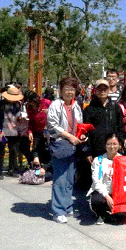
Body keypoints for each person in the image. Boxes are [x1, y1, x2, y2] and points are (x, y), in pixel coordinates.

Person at [47, 77, 85, 224]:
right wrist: (70, 136)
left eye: (72, 89)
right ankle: (58, 211)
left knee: (70, 178)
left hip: (73, 145)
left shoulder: (76, 105)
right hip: (61, 145)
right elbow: (52, 125)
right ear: (61, 90)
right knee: (60, 179)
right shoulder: (56, 105)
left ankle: (67, 206)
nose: (69, 92)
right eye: (66, 89)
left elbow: (79, 124)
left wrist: (81, 135)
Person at [83, 79, 124, 165]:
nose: (102, 91)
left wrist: (120, 142)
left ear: (109, 90)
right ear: (95, 90)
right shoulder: (89, 109)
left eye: (105, 88)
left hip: (112, 148)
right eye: (99, 88)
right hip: (95, 149)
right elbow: (85, 132)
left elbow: (120, 127)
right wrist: (87, 151)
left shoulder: (115, 107)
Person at [0, 86, 31, 178]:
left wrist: (20, 117)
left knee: (13, 150)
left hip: (14, 132)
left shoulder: (17, 104)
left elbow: (18, 114)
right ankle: (0, 170)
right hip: (3, 131)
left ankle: (11, 169)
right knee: (2, 150)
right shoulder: (1, 105)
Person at [87, 134, 124, 225]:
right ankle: (101, 214)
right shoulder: (98, 160)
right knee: (97, 201)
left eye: (115, 144)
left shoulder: (123, 160)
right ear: (105, 146)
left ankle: (110, 214)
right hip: (102, 193)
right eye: (109, 144)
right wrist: (107, 197)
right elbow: (97, 182)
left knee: (121, 216)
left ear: (119, 146)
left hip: (117, 193)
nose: (112, 147)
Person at [25, 90, 52, 168]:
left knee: (48, 149)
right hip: (36, 130)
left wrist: (49, 112)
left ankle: (47, 166)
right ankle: (37, 163)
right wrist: (30, 131)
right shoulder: (29, 107)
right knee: (36, 147)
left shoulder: (46, 102)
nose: (30, 104)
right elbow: (30, 120)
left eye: (31, 102)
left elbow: (56, 113)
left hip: (48, 130)